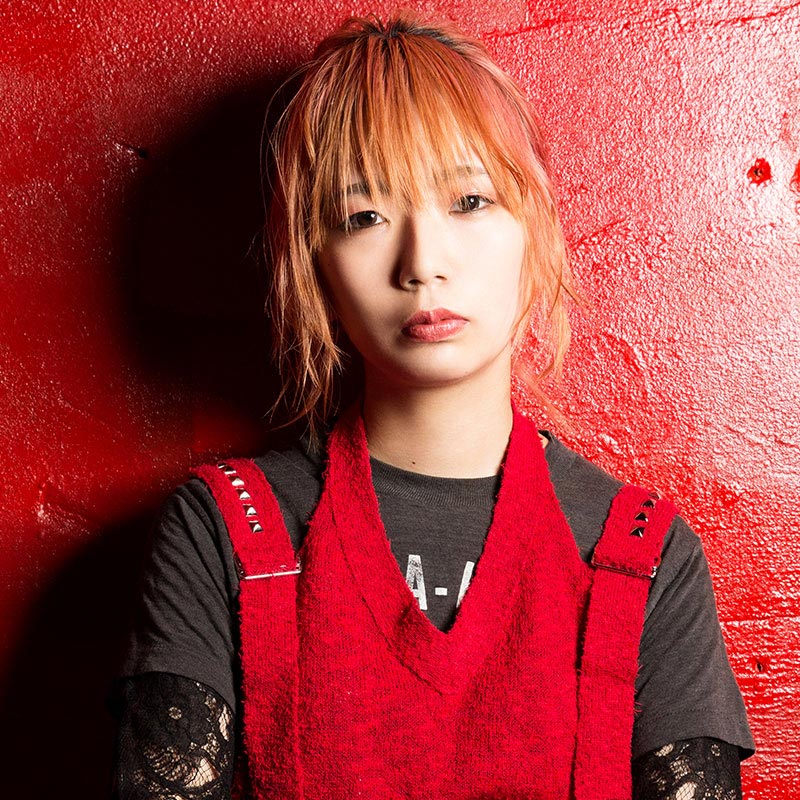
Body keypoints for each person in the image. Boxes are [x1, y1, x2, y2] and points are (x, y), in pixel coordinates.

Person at [112, 13, 754, 799]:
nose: (423, 263)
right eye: (364, 217)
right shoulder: (226, 531)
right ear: (315, 264)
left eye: (469, 200)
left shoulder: (641, 555)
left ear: (534, 226)